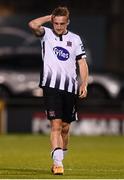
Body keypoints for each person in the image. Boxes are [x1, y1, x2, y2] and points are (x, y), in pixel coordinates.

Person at [28, 6, 89, 175]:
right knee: (55, 125)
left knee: (65, 128)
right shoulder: (46, 34)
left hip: (70, 88)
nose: (59, 26)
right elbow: (32, 24)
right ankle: (57, 163)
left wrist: (84, 84)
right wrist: (49, 16)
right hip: (51, 87)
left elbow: (82, 63)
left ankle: (61, 152)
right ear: (52, 21)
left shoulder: (75, 39)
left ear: (67, 22)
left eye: (62, 23)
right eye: (56, 23)